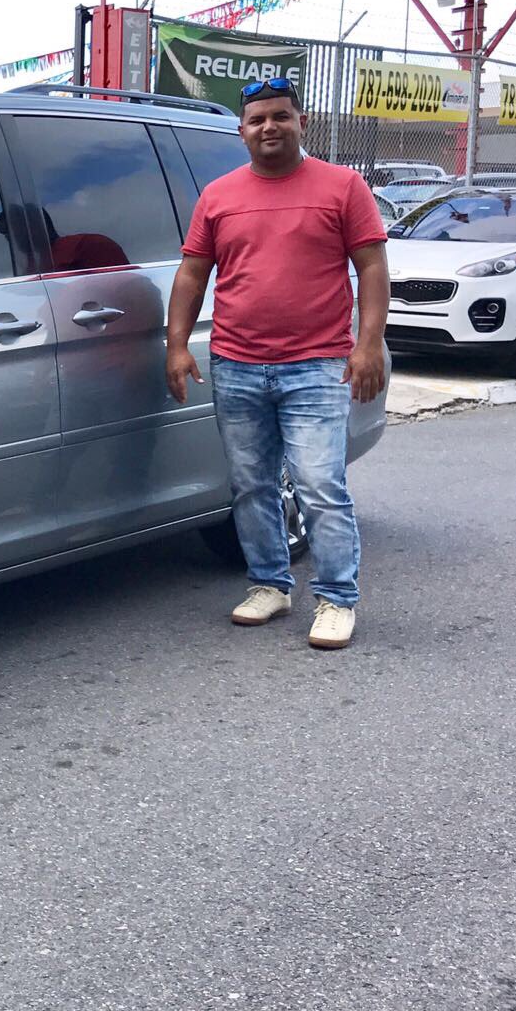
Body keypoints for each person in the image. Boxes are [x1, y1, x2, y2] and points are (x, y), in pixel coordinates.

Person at [165, 78, 388, 650]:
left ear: (301, 122)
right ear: (242, 131)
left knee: (318, 485)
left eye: (280, 117)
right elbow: (193, 273)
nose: (269, 127)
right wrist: (177, 344)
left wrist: (366, 346)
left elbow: (371, 268)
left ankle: (337, 598)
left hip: (317, 365)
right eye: (258, 119)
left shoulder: (343, 187)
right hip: (237, 364)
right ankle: (269, 583)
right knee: (250, 485)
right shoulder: (218, 195)